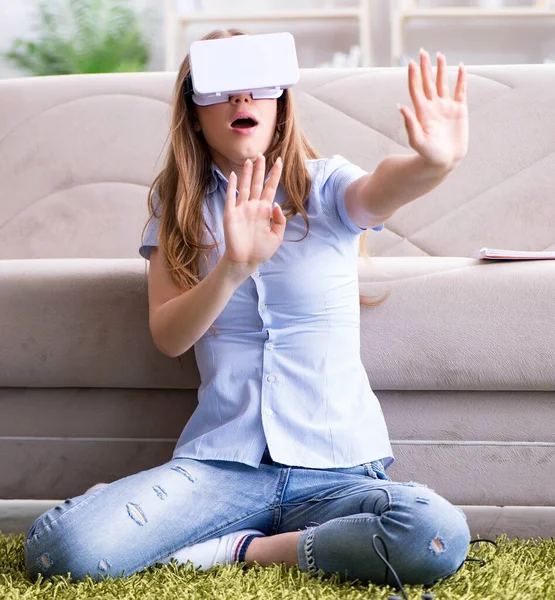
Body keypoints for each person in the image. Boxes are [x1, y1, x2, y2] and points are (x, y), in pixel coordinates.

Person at [25, 29, 472, 592]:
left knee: (434, 532)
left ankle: (242, 552)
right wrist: (232, 267)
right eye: (222, 88)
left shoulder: (327, 185)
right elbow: (169, 336)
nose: (242, 99)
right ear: (194, 111)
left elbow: (384, 186)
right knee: (62, 549)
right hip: (220, 471)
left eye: (258, 85)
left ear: (281, 102)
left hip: (338, 474)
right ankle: (152, 520)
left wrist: (433, 164)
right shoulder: (176, 206)